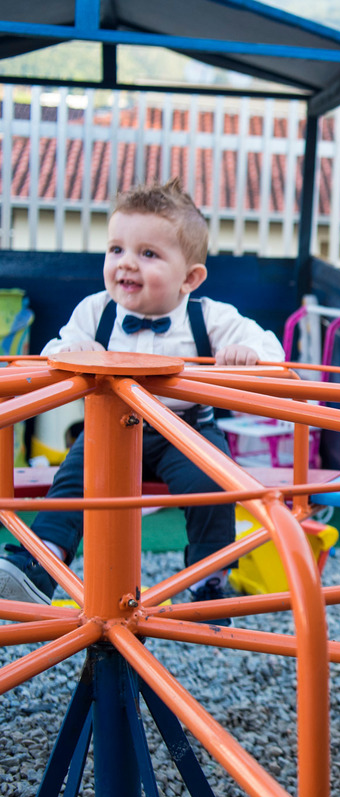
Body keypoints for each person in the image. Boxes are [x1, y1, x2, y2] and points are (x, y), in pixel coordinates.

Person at [0, 178, 284, 617]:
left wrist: (247, 354)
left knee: (213, 484)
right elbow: (54, 352)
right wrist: (73, 354)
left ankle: (209, 576)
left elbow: (271, 351)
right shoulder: (96, 311)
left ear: (190, 277)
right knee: (74, 483)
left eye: (148, 254)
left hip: (184, 429)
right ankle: (42, 561)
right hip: (110, 429)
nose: (126, 264)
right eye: (116, 250)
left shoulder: (208, 316)